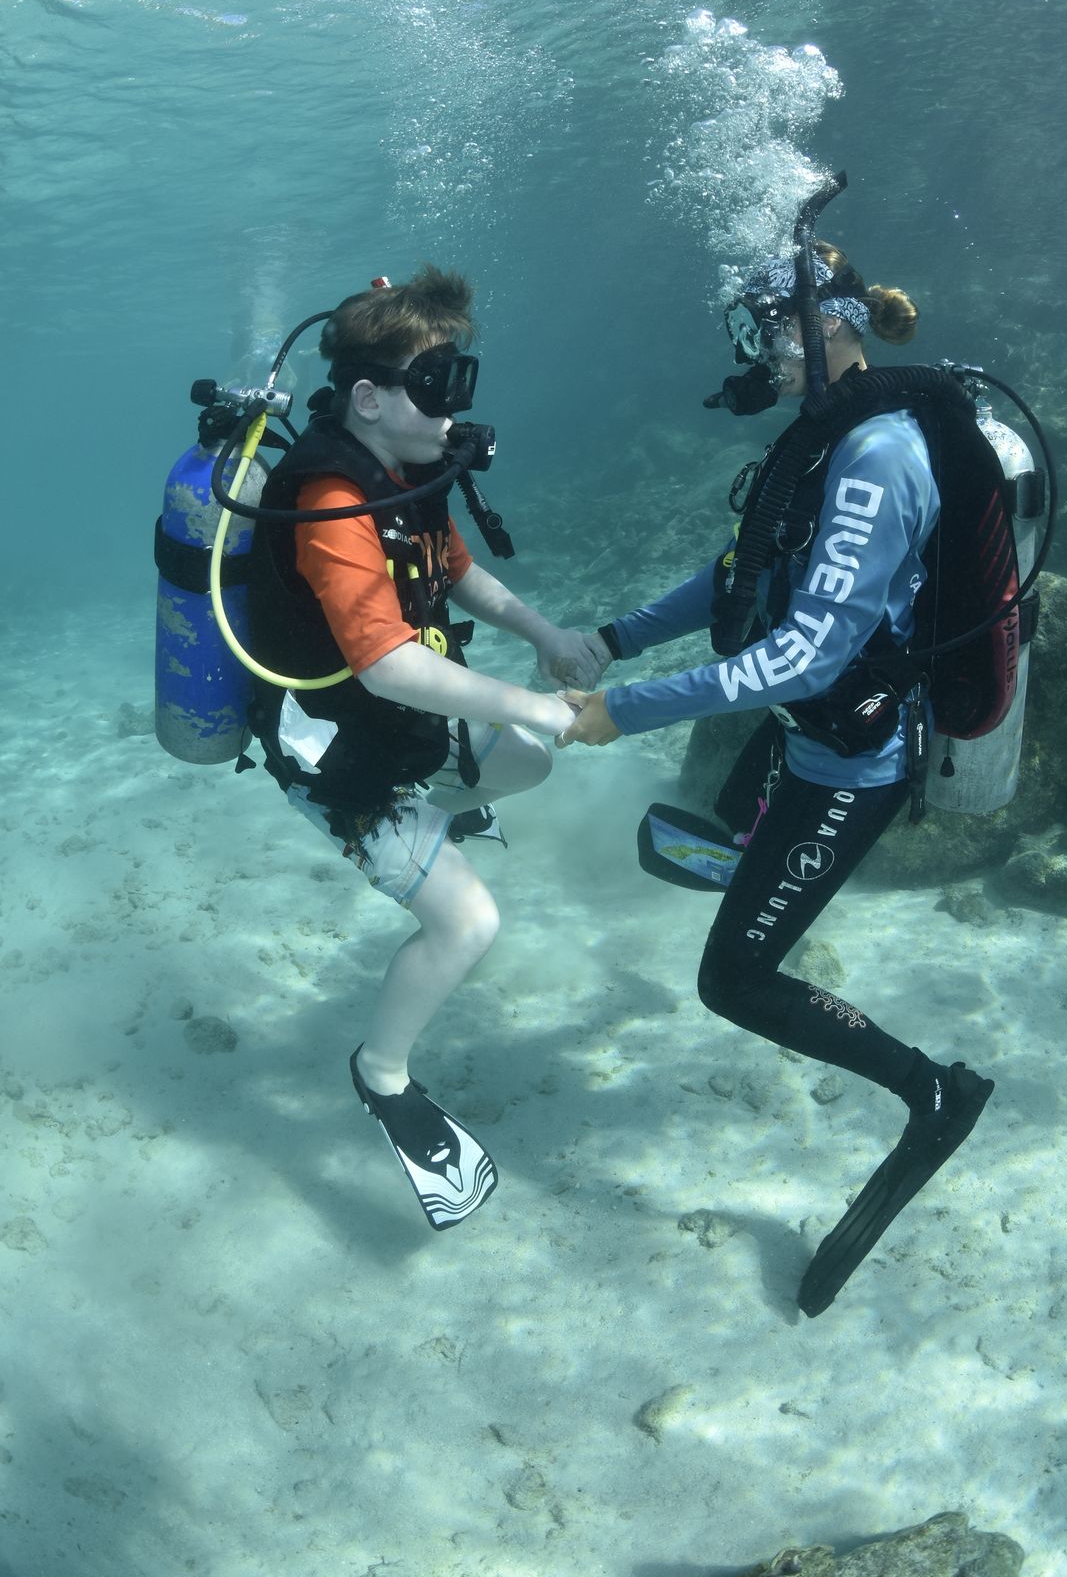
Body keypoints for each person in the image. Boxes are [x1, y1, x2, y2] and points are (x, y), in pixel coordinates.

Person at [559, 239, 995, 1314]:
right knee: (722, 825)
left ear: (826, 321)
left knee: (735, 980)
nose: (760, 352)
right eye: (751, 329)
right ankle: (750, 854)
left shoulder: (877, 457)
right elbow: (739, 574)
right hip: (802, 738)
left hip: (852, 763)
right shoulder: (823, 437)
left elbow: (803, 654)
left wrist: (625, 708)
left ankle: (932, 1092)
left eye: (769, 328)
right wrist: (613, 638)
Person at [246, 268, 589, 1229]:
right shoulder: (330, 497)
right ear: (368, 398)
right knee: (467, 924)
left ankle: (434, 823)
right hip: (338, 755)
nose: (455, 408)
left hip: (400, 727)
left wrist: (545, 634)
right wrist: (537, 701)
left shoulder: (409, 470)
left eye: (459, 381)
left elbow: (456, 571)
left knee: (527, 762)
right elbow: (390, 666)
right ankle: (383, 1075)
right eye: (437, 385)